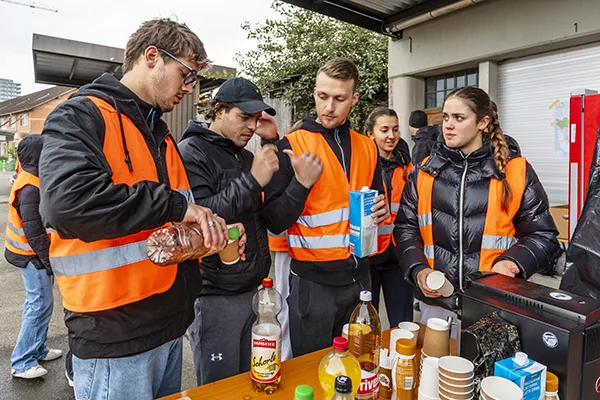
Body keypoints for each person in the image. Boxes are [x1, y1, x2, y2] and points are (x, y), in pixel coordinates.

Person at [38, 18, 244, 400]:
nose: (189, 88)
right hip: (115, 336)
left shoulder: (160, 135)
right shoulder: (82, 115)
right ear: (152, 57)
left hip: (167, 327)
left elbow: (161, 227)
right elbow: (69, 204)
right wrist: (177, 205)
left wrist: (207, 237)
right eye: (186, 74)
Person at [394, 86, 559, 330]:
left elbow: (543, 236)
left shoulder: (516, 171)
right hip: (439, 306)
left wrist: (512, 263)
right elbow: (405, 229)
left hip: (497, 305)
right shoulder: (425, 170)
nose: (448, 125)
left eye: (459, 118)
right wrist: (418, 270)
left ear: (483, 122)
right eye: (446, 117)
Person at [263, 57, 389, 356]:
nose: (329, 107)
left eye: (339, 98)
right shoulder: (290, 145)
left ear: (354, 99)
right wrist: (301, 184)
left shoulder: (368, 146)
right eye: (322, 96)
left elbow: (375, 199)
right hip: (312, 283)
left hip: (361, 279)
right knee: (312, 371)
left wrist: (382, 209)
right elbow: (273, 220)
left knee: (358, 368)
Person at [178, 77, 277, 385]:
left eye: (256, 119)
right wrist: (253, 181)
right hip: (213, 295)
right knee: (219, 387)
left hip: (253, 289)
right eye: (243, 117)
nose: (251, 126)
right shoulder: (191, 152)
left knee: (250, 381)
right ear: (218, 111)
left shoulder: (246, 156)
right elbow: (200, 217)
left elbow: (265, 217)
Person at [6, 135, 62, 379]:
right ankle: (22, 361)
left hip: (33, 254)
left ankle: (37, 348)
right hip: (30, 256)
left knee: (43, 304)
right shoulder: (30, 188)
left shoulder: (33, 179)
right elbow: (34, 231)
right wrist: (50, 262)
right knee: (38, 305)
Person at [363, 107, 414, 327]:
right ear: (370, 134)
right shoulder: (361, 166)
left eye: (395, 129)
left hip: (398, 258)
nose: (391, 136)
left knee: (402, 325)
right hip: (367, 259)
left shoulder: (408, 168)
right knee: (365, 324)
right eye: (384, 130)